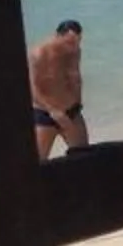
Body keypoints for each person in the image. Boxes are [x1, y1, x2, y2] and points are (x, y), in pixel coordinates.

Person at [28, 19, 90, 160]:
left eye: (77, 42)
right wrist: (53, 111)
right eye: (69, 43)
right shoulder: (39, 54)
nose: (73, 47)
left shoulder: (74, 51)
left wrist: (77, 103)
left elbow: (75, 77)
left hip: (71, 111)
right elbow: (33, 89)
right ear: (57, 36)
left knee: (84, 157)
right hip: (46, 114)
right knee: (39, 163)